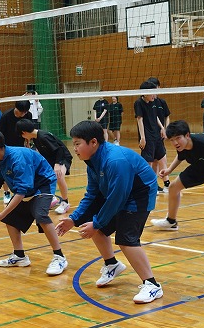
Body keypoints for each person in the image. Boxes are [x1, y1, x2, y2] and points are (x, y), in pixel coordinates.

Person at [55, 120, 163, 303]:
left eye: (77, 143)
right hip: (120, 192)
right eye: (74, 144)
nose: (74, 148)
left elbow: (117, 198)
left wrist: (97, 223)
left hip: (140, 193)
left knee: (126, 239)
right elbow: (92, 194)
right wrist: (73, 219)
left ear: (93, 142)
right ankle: (112, 264)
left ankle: (152, 285)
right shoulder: (92, 161)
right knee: (93, 224)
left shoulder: (115, 161)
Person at [0, 129, 69, 276]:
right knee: (10, 218)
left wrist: (1, 214)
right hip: (26, 188)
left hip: (42, 184)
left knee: (40, 215)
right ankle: (19, 256)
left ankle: (59, 257)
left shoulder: (18, 158)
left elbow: (21, 192)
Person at [16, 118, 73, 214]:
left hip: (62, 158)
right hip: (52, 159)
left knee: (59, 177)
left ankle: (65, 202)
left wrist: (57, 164)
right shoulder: (36, 138)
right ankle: (51, 198)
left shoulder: (43, 137)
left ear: (24, 132)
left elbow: (59, 150)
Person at [135, 81, 167, 193]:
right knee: (148, 163)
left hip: (156, 135)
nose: (154, 95)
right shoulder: (139, 103)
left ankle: (158, 185)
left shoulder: (153, 102)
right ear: (145, 93)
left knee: (161, 158)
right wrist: (143, 137)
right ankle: (147, 187)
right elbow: (139, 119)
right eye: (152, 93)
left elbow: (156, 116)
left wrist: (162, 128)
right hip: (147, 137)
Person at [0, 100, 31, 204]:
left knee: (21, 170)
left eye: (25, 112)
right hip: (7, 147)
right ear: (16, 108)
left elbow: (28, 131)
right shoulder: (6, 116)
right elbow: (0, 134)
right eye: (22, 112)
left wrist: (28, 143)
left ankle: (21, 191)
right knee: (6, 171)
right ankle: (6, 192)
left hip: (21, 147)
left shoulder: (28, 115)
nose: (23, 114)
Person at [147, 76, 172, 194]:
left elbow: (167, 117)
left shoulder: (162, 102)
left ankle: (160, 185)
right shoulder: (148, 102)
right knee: (158, 160)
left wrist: (166, 130)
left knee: (159, 160)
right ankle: (160, 184)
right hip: (151, 136)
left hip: (160, 136)